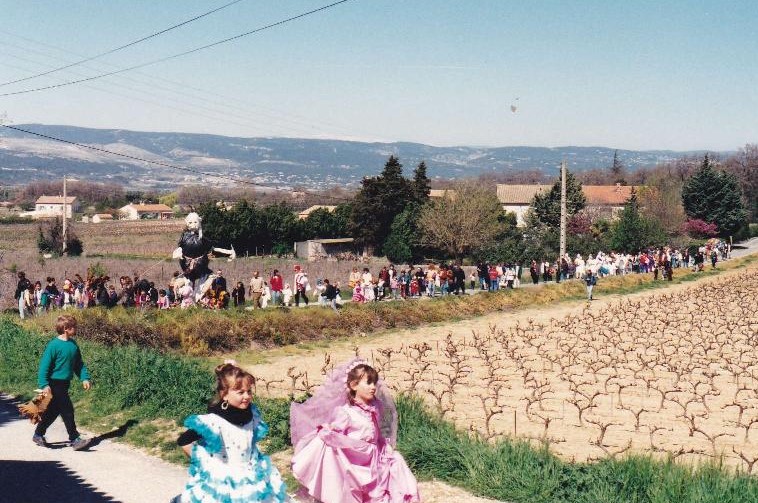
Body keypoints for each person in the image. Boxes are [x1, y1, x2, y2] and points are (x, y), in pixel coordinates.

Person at [290, 359, 420, 503]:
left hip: (375, 456)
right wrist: (329, 432)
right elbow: (336, 435)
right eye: (368, 383)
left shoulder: (374, 406)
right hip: (357, 460)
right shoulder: (345, 413)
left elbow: (375, 431)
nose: (373, 387)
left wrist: (382, 445)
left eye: (374, 383)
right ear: (354, 385)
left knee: (396, 462)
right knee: (355, 488)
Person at [174, 362, 286, 503]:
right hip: (223, 480)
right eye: (240, 392)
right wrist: (205, 463)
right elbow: (184, 441)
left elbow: (249, 441)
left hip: (251, 475)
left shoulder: (251, 414)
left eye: (249, 391)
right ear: (224, 395)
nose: (247, 396)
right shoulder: (214, 421)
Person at [33, 315, 92, 450]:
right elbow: (44, 367)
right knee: (67, 409)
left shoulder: (73, 345)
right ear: (66, 329)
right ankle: (74, 438)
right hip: (54, 383)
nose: (76, 329)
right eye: (74, 327)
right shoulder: (53, 345)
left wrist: (84, 378)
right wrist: (44, 384)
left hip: (65, 383)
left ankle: (38, 434)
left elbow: (79, 364)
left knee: (52, 412)